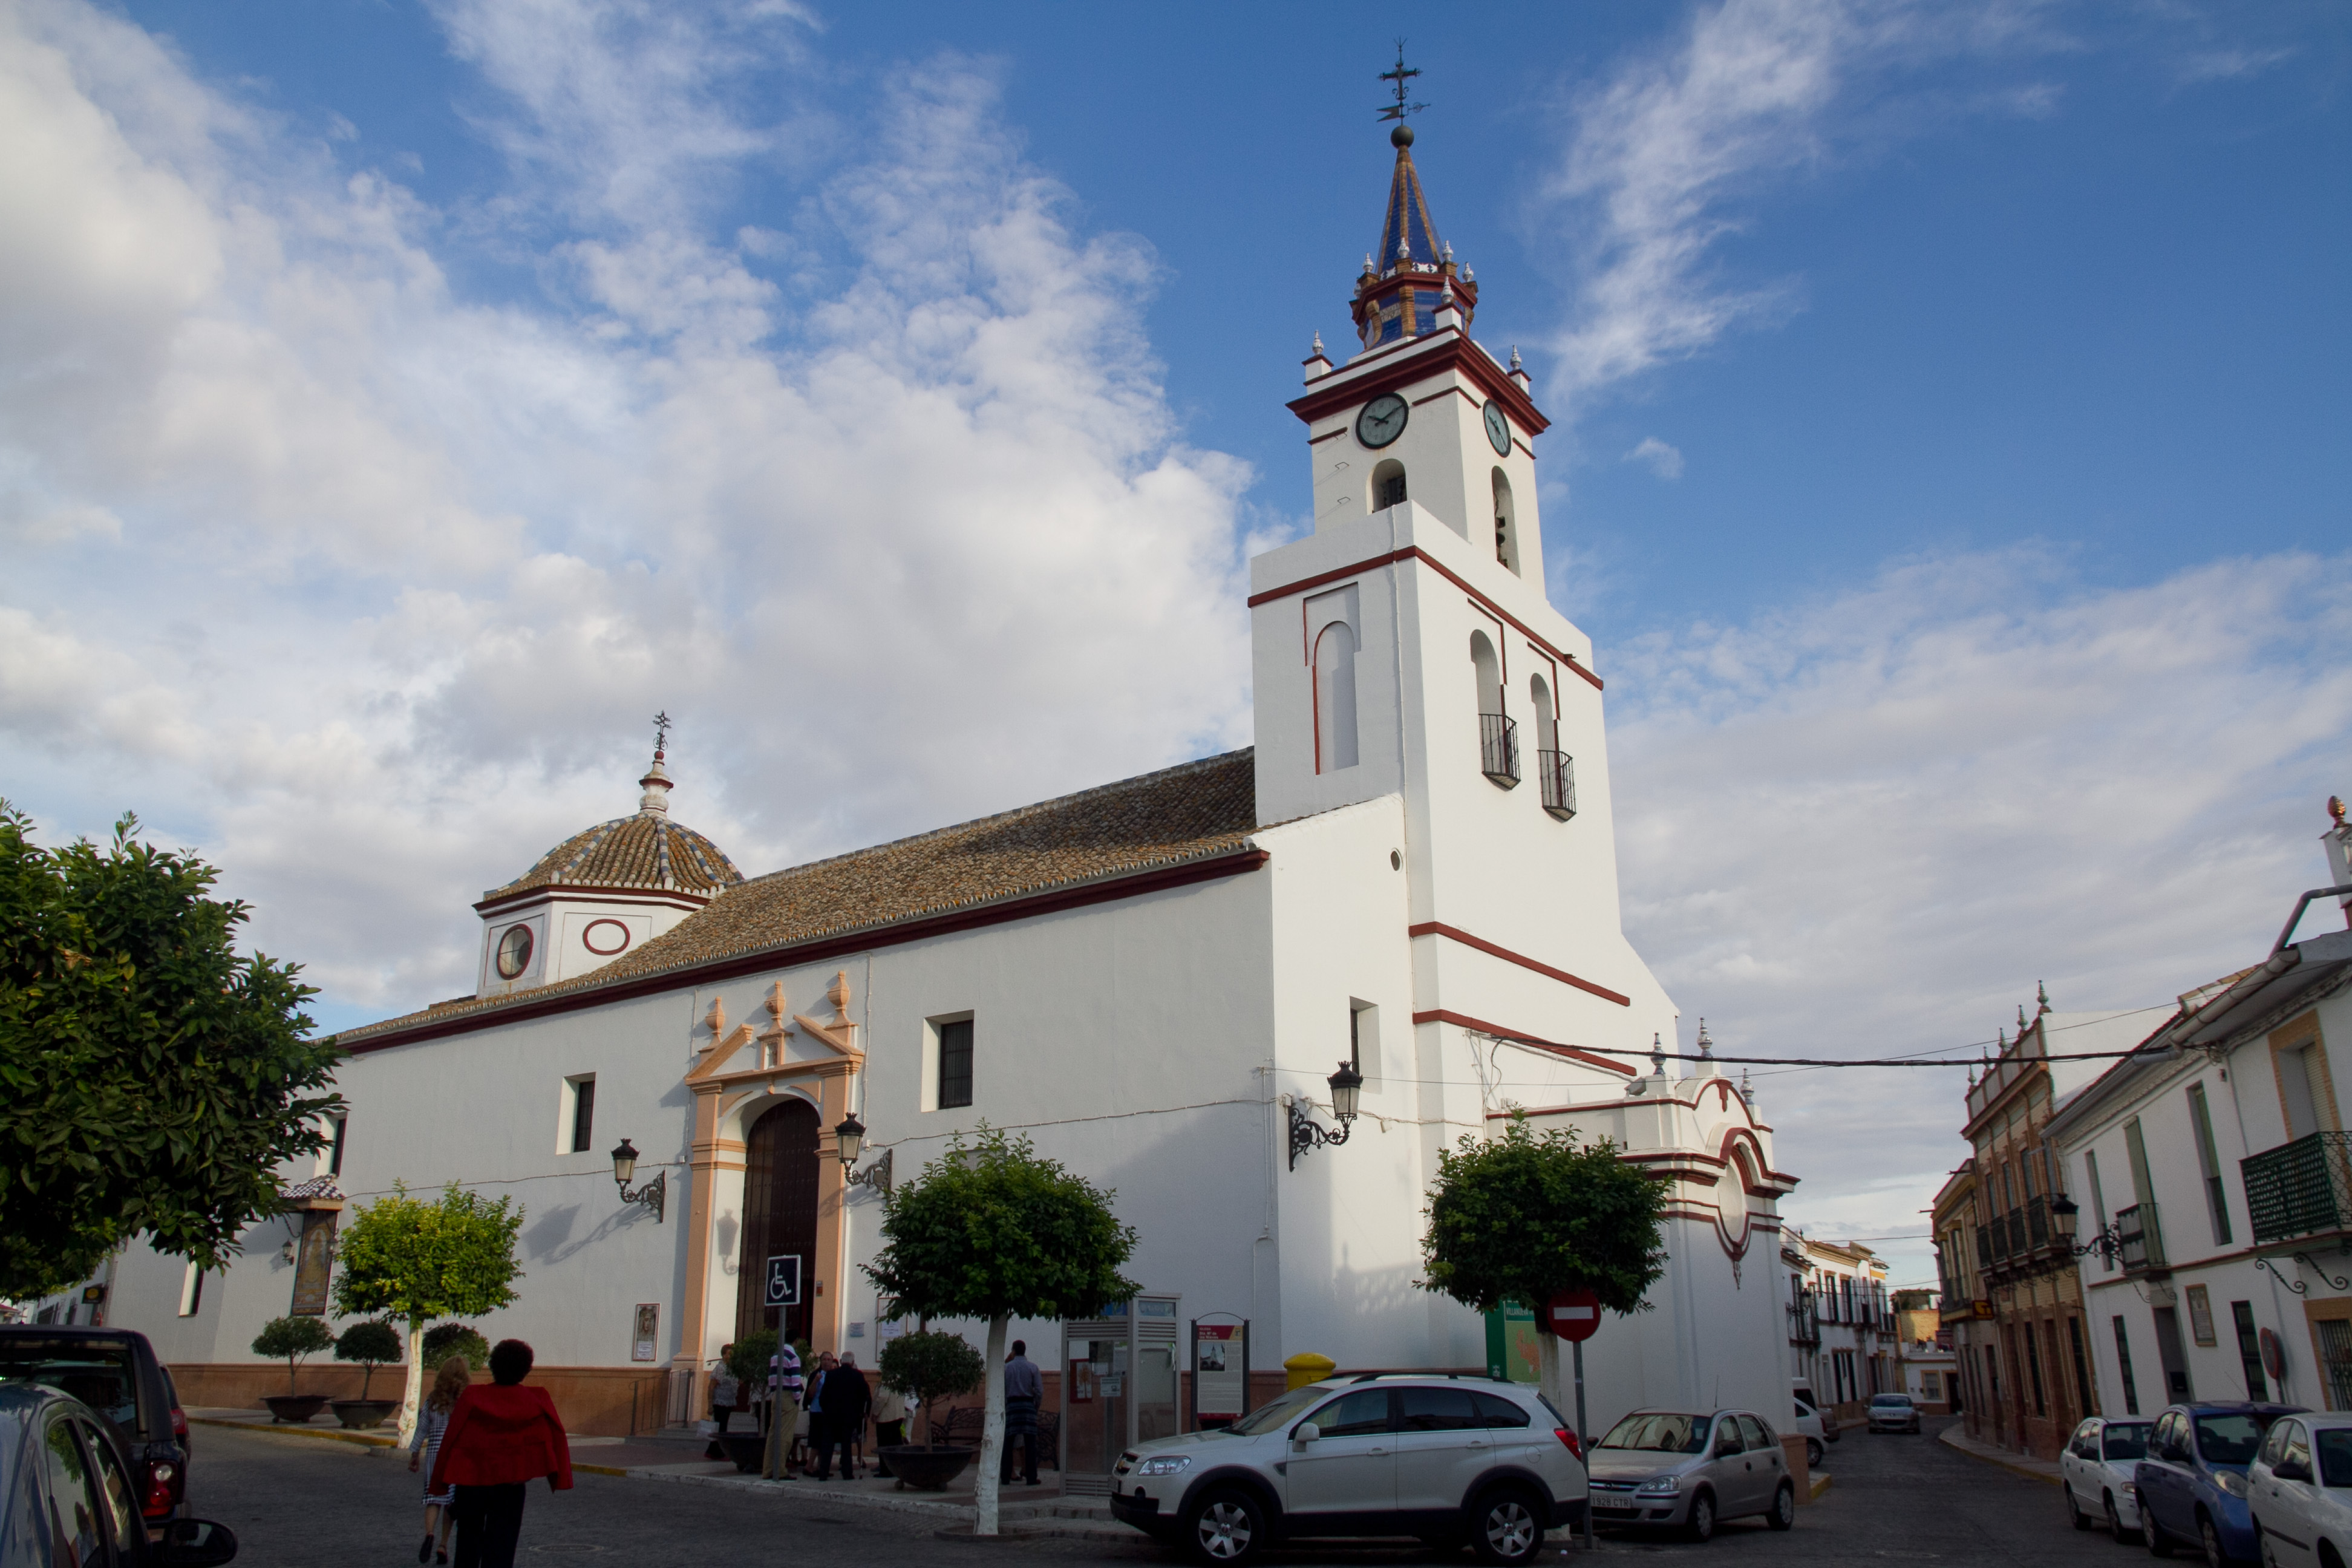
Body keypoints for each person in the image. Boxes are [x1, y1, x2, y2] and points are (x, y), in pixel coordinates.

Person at [429, 1339, 573, 1568]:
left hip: (472, 1482)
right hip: (511, 1485)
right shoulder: (536, 1399)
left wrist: (439, 1483)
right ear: (525, 1369)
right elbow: (551, 1437)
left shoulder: (473, 1396)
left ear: (493, 1365)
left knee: (467, 1543)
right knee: (503, 1546)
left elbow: (452, 1438)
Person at [407, 1354, 472, 1564]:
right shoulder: (467, 1400)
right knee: (451, 1502)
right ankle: (443, 1545)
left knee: (433, 1497)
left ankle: (429, 1534)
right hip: (457, 1455)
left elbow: (422, 1428)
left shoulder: (433, 1400)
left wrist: (415, 1454)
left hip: (435, 1454)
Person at [812, 1351, 869, 1480]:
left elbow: (824, 1396)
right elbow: (864, 1395)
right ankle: (847, 1473)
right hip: (849, 1417)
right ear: (853, 1362)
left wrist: (826, 1410)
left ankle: (823, 1473)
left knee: (828, 1445)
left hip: (831, 1415)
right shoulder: (857, 1375)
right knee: (846, 1446)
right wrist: (861, 1413)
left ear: (842, 1362)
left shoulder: (831, 1375)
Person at [1001, 1339, 1042, 1487]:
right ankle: (1031, 1478)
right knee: (1030, 1443)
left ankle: (1005, 1477)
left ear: (1013, 1351)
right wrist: (1035, 1406)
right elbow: (1039, 1390)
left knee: (1008, 1443)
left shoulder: (1006, 1368)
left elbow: (1002, 1389)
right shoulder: (1033, 1368)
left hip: (1012, 1406)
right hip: (1027, 1406)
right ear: (1025, 1351)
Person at [872, 1377, 908, 1478]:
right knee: (896, 1442)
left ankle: (886, 1470)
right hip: (898, 1415)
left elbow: (882, 1398)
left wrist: (875, 1413)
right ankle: (898, 1468)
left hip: (886, 1417)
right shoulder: (900, 1380)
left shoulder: (887, 1381)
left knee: (884, 1445)